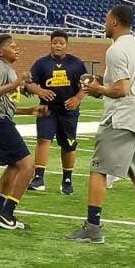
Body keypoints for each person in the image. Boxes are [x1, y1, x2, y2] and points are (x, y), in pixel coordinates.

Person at [65, 6, 135, 244]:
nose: (104, 24)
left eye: (106, 20)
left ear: (114, 21)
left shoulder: (115, 50)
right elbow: (133, 82)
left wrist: (99, 89)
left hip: (123, 116)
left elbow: (121, 89)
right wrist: (98, 86)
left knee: (98, 169)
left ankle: (92, 227)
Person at [0, 34, 47, 231]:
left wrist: (30, 111)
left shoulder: (9, 70)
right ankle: (7, 214)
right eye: (12, 46)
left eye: (17, 46)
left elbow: (6, 104)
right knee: (28, 166)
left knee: (15, 166)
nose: (17, 49)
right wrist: (15, 85)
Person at [28, 30, 88, 195]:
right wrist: (39, 91)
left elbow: (86, 85)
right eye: (55, 42)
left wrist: (77, 99)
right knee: (43, 140)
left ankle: (67, 179)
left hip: (68, 110)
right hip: (47, 109)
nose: (58, 46)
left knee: (69, 144)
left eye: (61, 43)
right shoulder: (41, 63)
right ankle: (38, 178)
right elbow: (29, 83)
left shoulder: (76, 63)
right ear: (51, 44)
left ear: (66, 45)